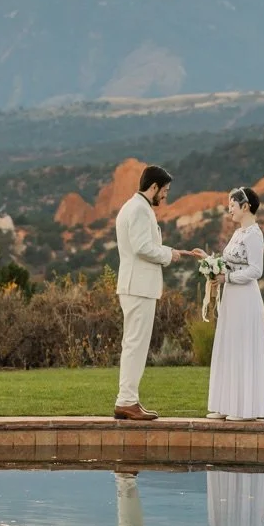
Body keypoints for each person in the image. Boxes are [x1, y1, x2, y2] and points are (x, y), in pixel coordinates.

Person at [115, 165, 203, 421]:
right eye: (164, 190)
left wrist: (173, 251)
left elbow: (142, 245)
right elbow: (142, 248)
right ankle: (127, 401)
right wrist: (169, 255)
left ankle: (129, 400)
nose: (165, 196)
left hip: (135, 286)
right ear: (153, 187)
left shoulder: (132, 207)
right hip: (138, 287)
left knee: (134, 344)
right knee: (135, 344)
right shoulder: (140, 210)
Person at [206, 187, 264, 422]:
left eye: (232, 205)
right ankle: (225, 404)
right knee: (229, 346)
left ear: (245, 207)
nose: (229, 209)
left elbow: (256, 270)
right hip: (231, 297)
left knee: (243, 347)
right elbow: (227, 261)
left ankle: (244, 409)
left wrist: (228, 278)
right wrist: (209, 262)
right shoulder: (237, 233)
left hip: (245, 297)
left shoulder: (254, 234)